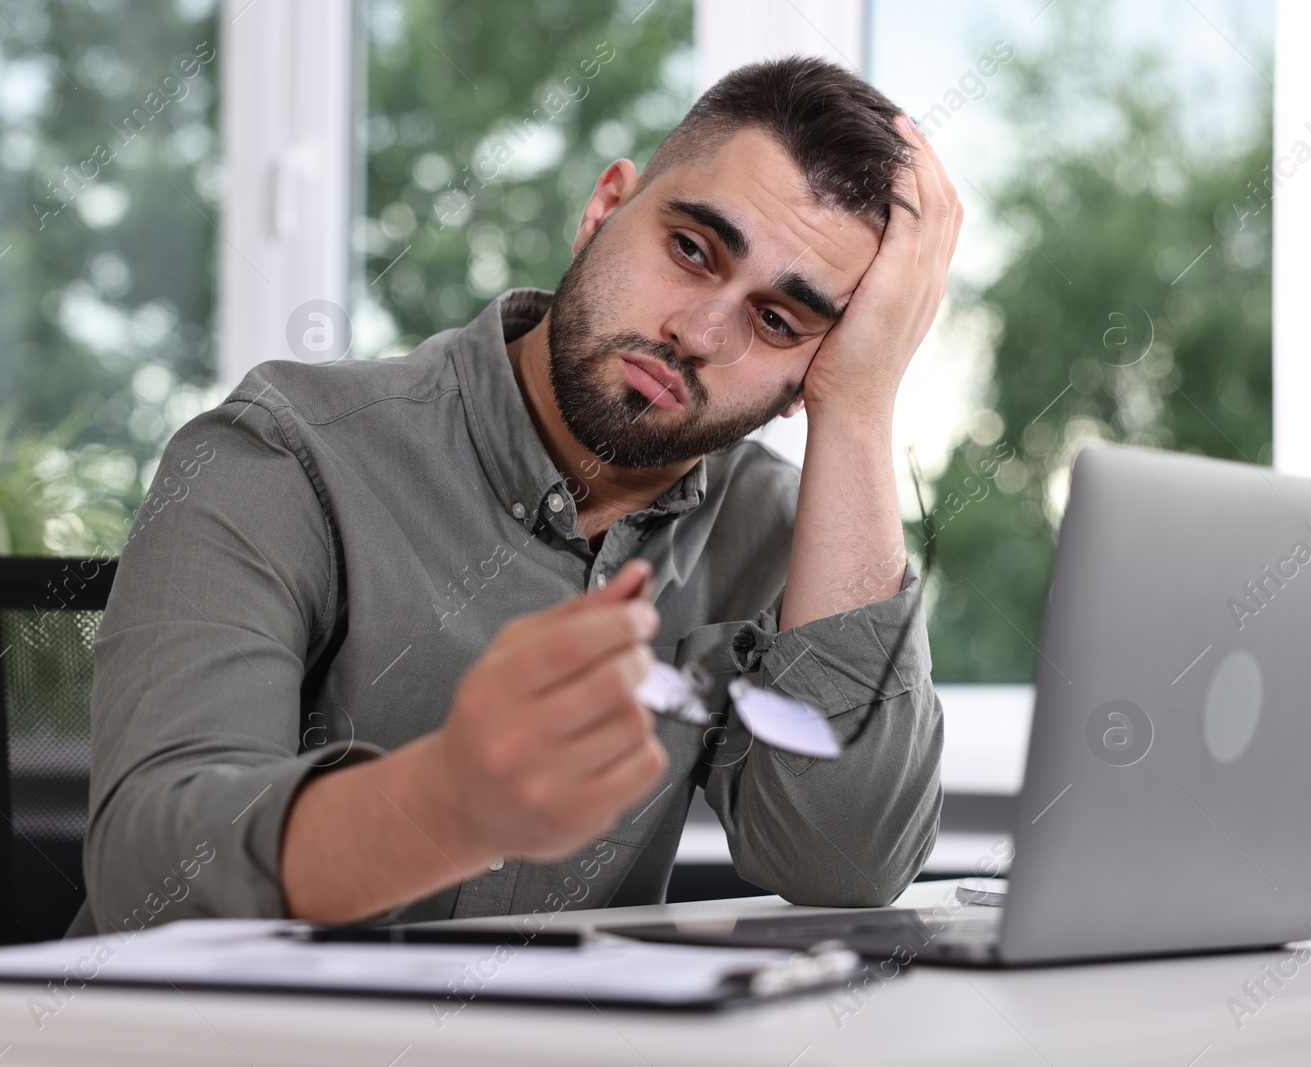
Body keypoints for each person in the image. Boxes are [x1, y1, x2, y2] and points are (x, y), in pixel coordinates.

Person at [73, 55, 959, 935]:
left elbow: (845, 861)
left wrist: (860, 409)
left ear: (815, 370)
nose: (696, 333)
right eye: (691, 251)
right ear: (604, 209)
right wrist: (450, 803)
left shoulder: (773, 533)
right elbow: (148, 875)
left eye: (776, 322)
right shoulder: (283, 451)